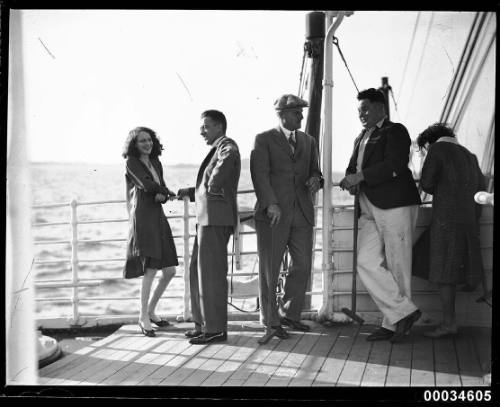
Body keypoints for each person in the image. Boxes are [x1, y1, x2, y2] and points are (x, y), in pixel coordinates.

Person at [339, 88, 422, 343]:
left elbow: (395, 164)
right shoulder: (360, 137)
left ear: (380, 108)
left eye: (365, 109)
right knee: (366, 261)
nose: (361, 114)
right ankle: (403, 313)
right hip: (369, 206)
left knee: (398, 263)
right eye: (359, 111)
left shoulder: (395, 131)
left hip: (395, 203)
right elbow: (354, 167)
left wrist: (361, 177)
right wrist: (352, 180)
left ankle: (394, 323)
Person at [250, 94, 323, 340]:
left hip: (302, 213)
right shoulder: (264, 139)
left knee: (302, 266)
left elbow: (316, 171)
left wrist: (316, 180)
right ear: (282, 114)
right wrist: (270, 203)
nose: (301, 116)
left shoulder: (309, 141)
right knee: (270, 268)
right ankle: (270, 320)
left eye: (301, 112)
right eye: (296, 113)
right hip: (274, 214)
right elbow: (259, 175)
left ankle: (290, 314)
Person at [177, 110, 241, 345]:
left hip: (215, 219)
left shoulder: (227, 146)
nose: (201, 131)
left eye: (205, 126)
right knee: (197, 272)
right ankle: (202, 323)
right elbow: (207, 185)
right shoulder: (216, 149)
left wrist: (211, 184)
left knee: (211, 275)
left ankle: (215, 329)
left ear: (219, 127)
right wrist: (191, 192)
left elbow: (221, 172)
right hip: (206, 218)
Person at [416, 123, 485, 338]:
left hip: (446, 221)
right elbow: (481, 187)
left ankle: (448, 323)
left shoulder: (437, 149)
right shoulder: (470, 155)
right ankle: (450, 321)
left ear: (429, 142)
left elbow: (426, 183)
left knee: (444, 273)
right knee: (453, 271)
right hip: (468, 222)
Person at [122, 127, 178, 337]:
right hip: (143, 217)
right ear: (134, 145)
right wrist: (163, 192)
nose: (147, 143)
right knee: (151, 269)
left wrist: (162, 194)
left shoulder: (156, 162)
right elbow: (145, 185)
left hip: (157, 215)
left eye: (149, 140)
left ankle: (151, 311)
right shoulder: (131, 162)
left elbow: (159, 188)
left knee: (170, 270)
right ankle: (142, 317)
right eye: (142, 141)